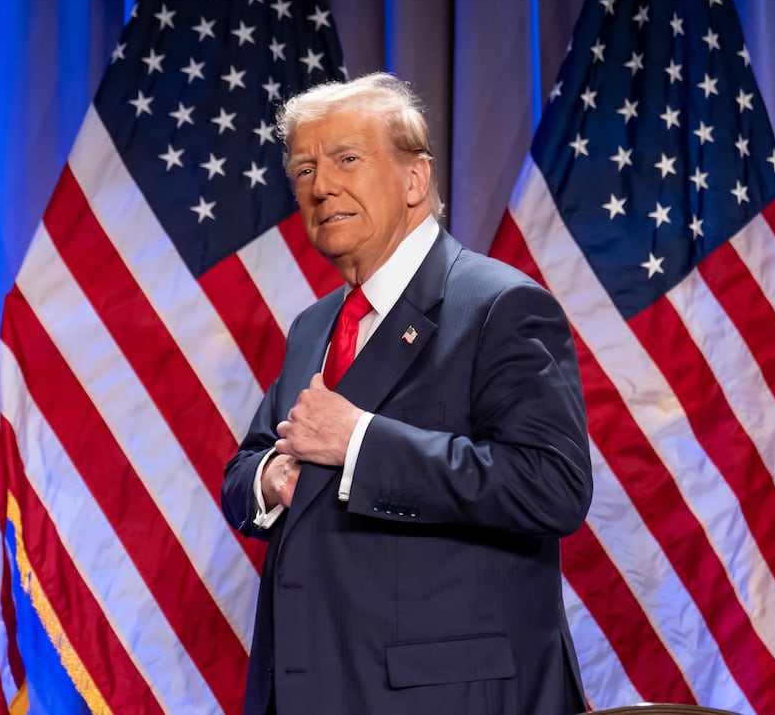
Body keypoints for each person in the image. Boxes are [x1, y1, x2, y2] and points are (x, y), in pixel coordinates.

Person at [220, 72, 593, 715]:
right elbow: (245, 470)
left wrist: (359, 443)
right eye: (304, 169)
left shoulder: (499, 306)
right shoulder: (315, 327)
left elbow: (553, 484)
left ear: (415, 179)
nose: (321, 186)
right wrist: (275, 477)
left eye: (347, 159)